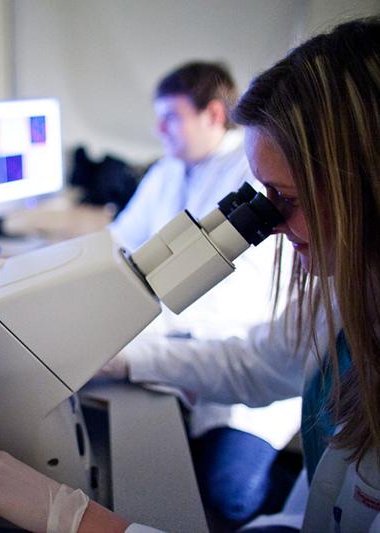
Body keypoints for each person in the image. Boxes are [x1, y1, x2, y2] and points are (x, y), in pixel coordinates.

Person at [0, 17, 380, 533]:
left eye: (287, 201)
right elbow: (255, 364)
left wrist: (74, 520)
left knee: (224, 491)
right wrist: (118, 357)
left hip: (223, 389)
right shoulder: (349, 298)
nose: (269, 227)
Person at [107, 61, 300, 527]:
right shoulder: (169, 169)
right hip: (190, 349)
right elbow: (120, 242)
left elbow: (227, 314)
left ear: (213, 115)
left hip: (238, 353)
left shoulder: (254, 170)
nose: (160, 129)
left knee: (226, 493)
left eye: (171, 117)